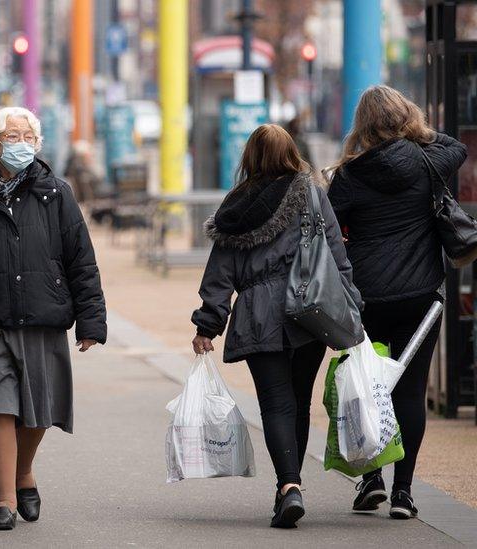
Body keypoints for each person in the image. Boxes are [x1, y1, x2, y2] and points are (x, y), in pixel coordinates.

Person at [191, 124, 358, 529]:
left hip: (258, 314)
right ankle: (291, 486)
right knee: (299, 403)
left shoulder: (237, 205)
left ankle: (289, 486)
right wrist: (353, 309)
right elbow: (336, 255)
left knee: (275, 403)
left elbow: (221, 273)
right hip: (311, 310)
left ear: (250, 157)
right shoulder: (313, 195)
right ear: (291, 153)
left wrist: (207, 325)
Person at [328, 85, 467, 520]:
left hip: (366, 297)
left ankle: (372, 479)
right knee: (410, 392)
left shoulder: (350, 176)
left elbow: (332, 230)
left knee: (365, 389)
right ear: (406, 117)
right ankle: (404, 493)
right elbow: (456, 146)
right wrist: (415, 130)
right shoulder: (429, 160)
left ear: (362, 126)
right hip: (421, 296)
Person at [0, 107, 106, 530]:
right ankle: (4, 499)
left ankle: (24, 471)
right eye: (12, 136)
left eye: (28, 136)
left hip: (45, 314)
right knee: (1, 406)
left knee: (39, 411)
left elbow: (81, 259)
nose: (21, 143)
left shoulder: (56, 192)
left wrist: (91, 320)